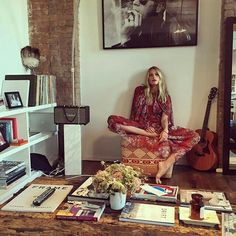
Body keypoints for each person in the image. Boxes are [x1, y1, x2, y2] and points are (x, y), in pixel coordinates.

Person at [107, 66, 200, 183]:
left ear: (160, 78)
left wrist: (165, 130)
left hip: (159, 128)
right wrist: (146, 127)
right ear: (147, 78)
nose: (153, 77)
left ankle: (166, 163)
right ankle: (149, 135)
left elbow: (164, 118)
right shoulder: (139, 91)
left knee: (195, 136)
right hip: (140, 126)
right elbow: (136, 112)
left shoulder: (165, 96)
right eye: (150, 75)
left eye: (156, 74)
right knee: (112, 120)